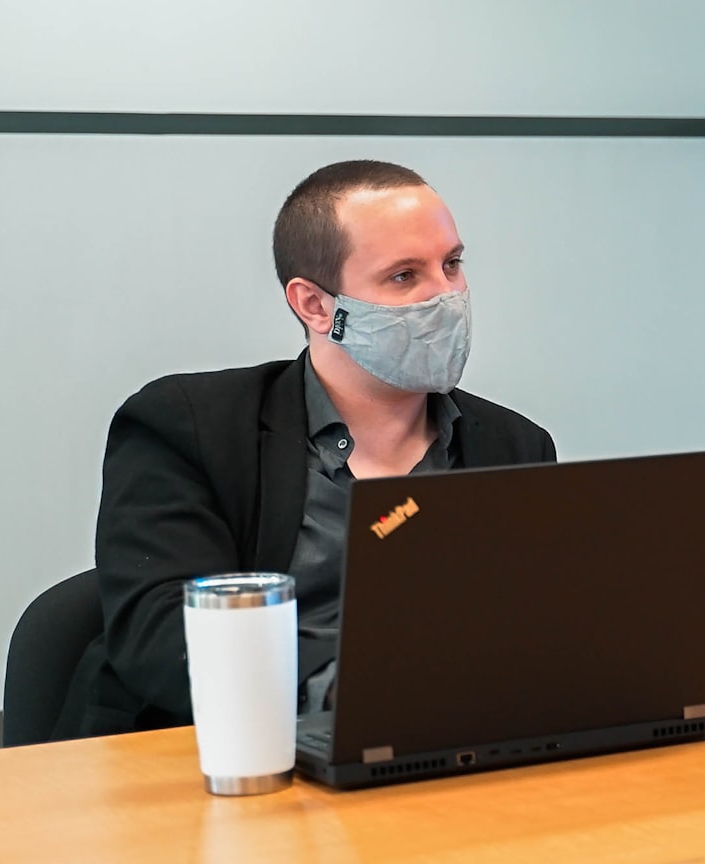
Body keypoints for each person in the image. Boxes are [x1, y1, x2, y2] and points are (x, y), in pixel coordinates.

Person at [51, 160, 557, 740]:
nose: (445, 297)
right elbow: (163, 635)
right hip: (222, 754)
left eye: (451, 265)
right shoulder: (189, 427)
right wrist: (340, 690)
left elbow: (528, 630)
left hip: (442, 753)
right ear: (316, 306)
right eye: (403, 276)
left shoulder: (514, 445)